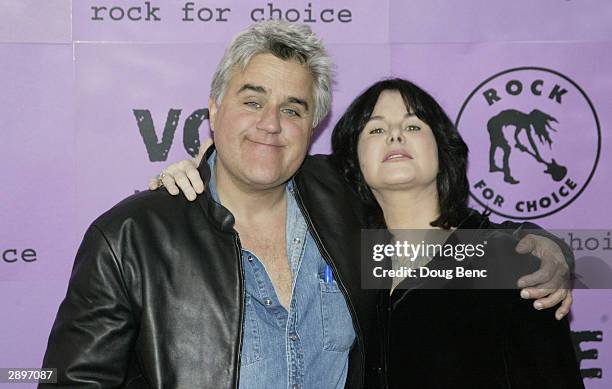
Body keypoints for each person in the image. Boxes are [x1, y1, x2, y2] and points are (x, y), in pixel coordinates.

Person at [43, 20, 571, 389]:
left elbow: (457, 251)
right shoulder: (131, 237)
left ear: (313, 126)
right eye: (252, 101)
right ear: (214, 107)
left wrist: (542, 250)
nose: (270, 123)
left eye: (292, 109)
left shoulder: (343, 207)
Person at [151, 77, 580, 388]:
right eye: (375, 128)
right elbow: (254, 174)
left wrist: (551, 248)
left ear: (442, 148)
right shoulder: (346, 257)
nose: (395, 133)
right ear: (353, 161)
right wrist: (195, 174)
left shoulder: (501, 256)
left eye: (413, 125)